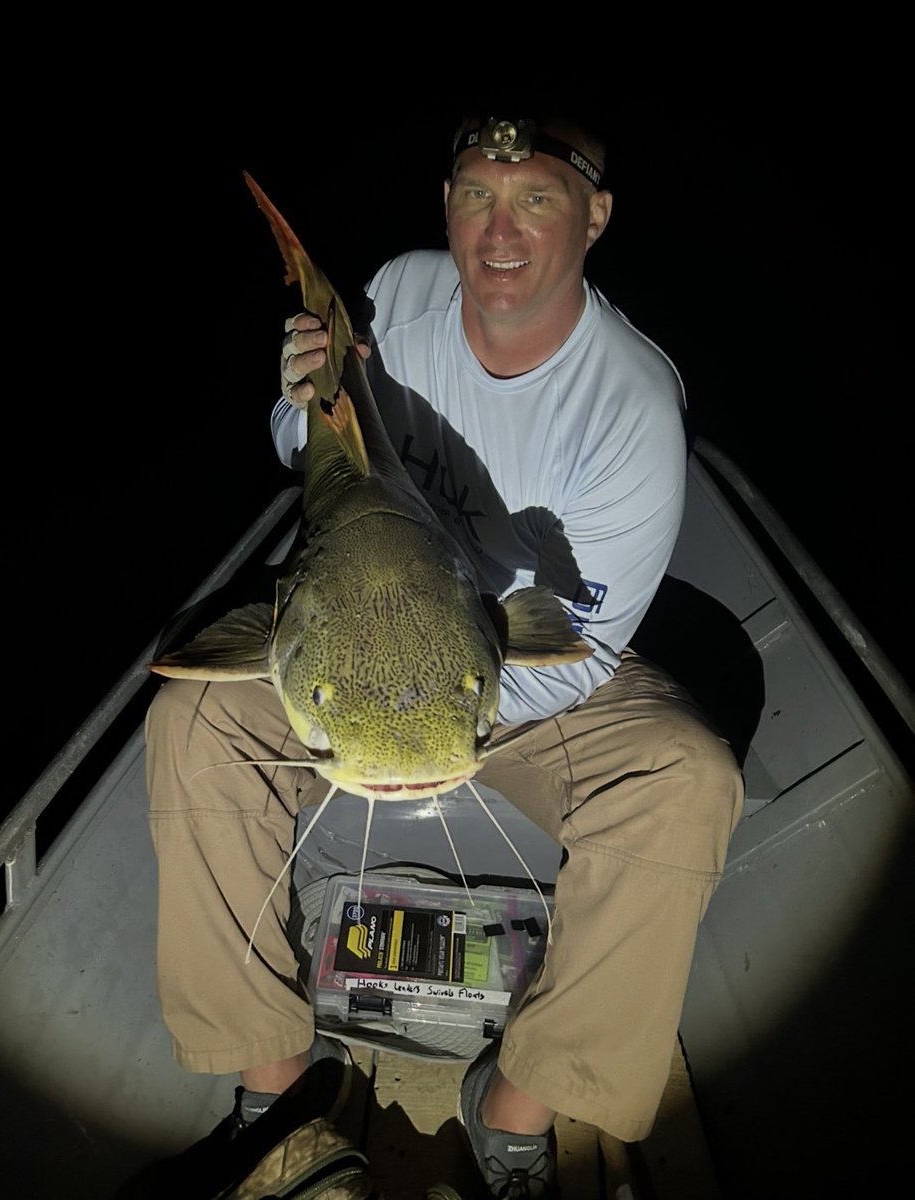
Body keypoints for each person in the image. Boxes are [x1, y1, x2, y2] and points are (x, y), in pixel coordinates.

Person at [145, 109, 745, 1200]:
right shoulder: (399, 294)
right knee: (189, 721)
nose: (499, 231)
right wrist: (297, 394)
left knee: (687, 780)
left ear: (595, 215)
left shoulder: (628, 408)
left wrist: (439, 693)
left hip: (517, 676)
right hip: (354, 632)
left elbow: (583, 651)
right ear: (446, 206)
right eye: (477, 194)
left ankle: (513, 1111)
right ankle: (282, 1102)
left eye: (536, 199)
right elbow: (304, 453)